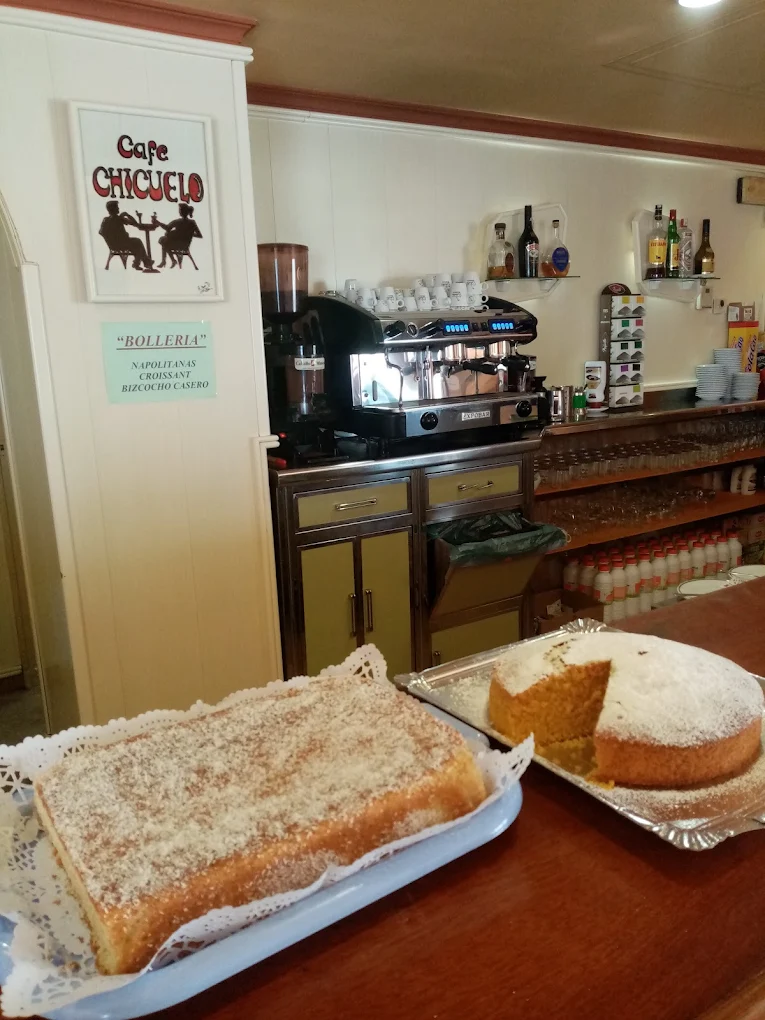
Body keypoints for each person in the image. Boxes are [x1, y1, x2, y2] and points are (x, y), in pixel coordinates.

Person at [99, 201, 150, 270]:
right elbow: (135, 224)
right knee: (138, 242)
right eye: (117, 207)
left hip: (112, 245)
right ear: (114, 209)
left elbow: (101, 232)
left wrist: (109, 238)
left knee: (135, 245)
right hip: (122, 243)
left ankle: (142, 262)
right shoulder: (119, 218)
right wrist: (127, 215)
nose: (118, 208)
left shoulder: (106, 220)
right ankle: (143, 262)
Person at [153, 204, 203, 268]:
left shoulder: (178, 221)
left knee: (163, 241)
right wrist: (189, 233)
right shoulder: (192, 222)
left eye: (179, 210)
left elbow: (167, 228)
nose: (179, 211)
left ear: (181, 212)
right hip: (185, 245)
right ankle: (171, 261)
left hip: (177, 245)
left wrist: (158, 223)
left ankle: (167, 261)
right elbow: (199, 235)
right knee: (164, 241)